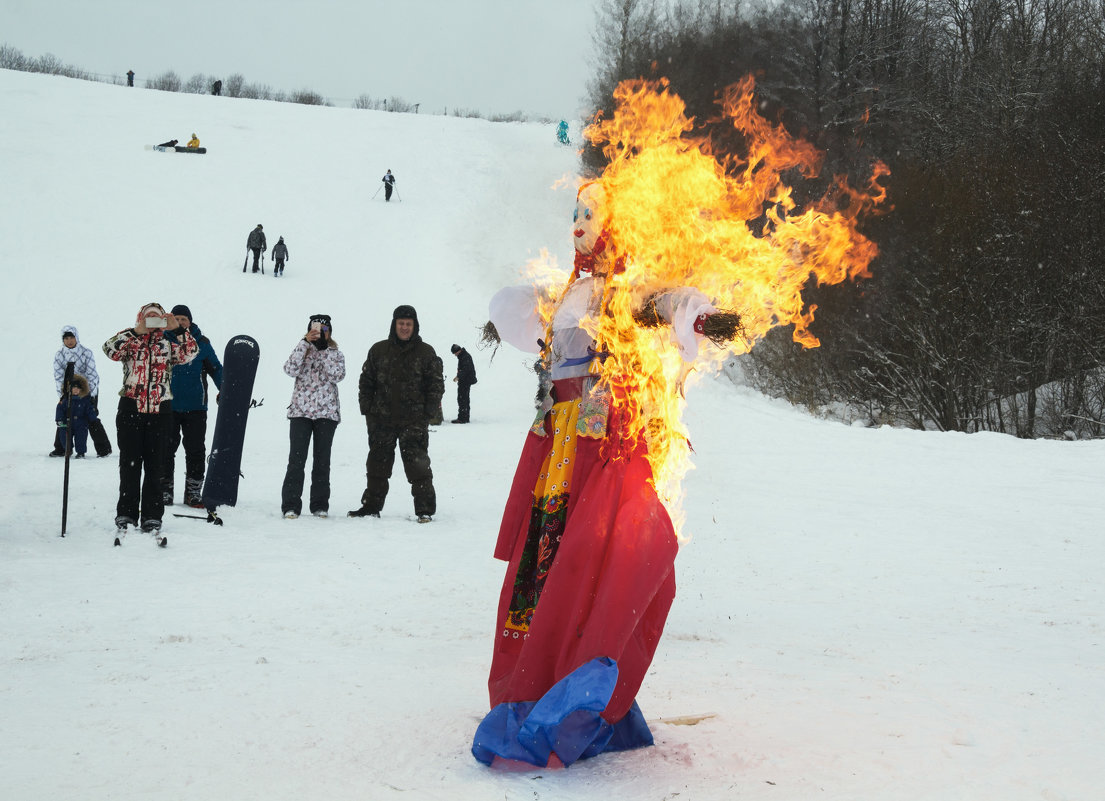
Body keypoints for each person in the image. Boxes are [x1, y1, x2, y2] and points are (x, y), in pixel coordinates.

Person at [471, 182, 740, 768]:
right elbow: (518, 314)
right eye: (575, 212)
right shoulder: (568, 289)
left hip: (600, 452)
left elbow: (671, 301)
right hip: (559, 452)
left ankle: (576, 687)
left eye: (590, 214)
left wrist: (702, 315)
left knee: (587, 565)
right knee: (540, 571)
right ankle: (530, 685)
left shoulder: (627, 292)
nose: (578, 223)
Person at [103, 302, 198, 538]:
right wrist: (137, 331)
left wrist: (178, 330)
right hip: (130, 410)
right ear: (140, 318)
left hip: (160, 412)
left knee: (156, 466)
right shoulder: (130, 341)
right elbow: (109, 349)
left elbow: (191, 352)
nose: (153, 322)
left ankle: (152, 515)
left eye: (157, 318)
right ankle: (126, 512)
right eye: (149, 318)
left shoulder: (168, 344)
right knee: (129, 464)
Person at [348, 305, 444, 522]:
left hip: (414, 421)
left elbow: (435, 385)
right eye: (401, 323)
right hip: (381, 419)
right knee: (377, 465)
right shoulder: (378, 350)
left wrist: (426, 414)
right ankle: (371, 506)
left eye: (408, 324)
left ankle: (425, 509)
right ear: (394, 324)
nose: (404, 327)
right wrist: (368, 411)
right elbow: (366, 382)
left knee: (418, 466)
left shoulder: (426, 352)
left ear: (415, 326)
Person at [281, 314, 346, 519]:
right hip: (301, 412)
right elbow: (289, 369)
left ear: (330, 332)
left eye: (324, 330)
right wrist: (304, 344)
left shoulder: (335, 353)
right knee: (296, 460)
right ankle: (290, 505)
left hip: (326, 413)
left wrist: (324, 350)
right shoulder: (303, 349)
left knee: (322, 462)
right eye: (316, 330)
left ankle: (319, 505)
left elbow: (337, 376)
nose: (320, 334)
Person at [161, 305, 223, 508]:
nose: (180, 323)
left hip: (196, 406)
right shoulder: (162, 341)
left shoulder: (202, 343)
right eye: (176, 319)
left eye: (184, 319)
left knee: (195, 450)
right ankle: (164, 490)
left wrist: (224, 390)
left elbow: (215, 368)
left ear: (190, 321)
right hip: (168, 405)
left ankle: (193, 492)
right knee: (166, 449)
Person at [51, 325, 112, 457]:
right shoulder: (59, 355)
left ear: (76, 337)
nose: (69, 341)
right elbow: (58, 375)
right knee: (65, 418)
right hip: (68, 392)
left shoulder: (86, 353)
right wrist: (63, 394)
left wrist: (91, 394)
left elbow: (92, 373)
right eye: (66, 338)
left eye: (71, 337)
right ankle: (61, 448)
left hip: (87, 391)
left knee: (91, 418)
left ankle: (103, 449)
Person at [55, 374, 100, 458]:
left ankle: (81, 452)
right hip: (67, 423)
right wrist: (59, 419)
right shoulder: (65, 399)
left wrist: (93, 417)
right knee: (65, 437)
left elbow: (89, 409)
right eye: (74, 388)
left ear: (81, 389)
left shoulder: (85, 400)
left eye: (78, 388)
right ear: (70, 389)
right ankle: (68, 449)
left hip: (81, 424)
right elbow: (60, 409)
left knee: (81, 439)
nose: (75, 390)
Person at [449, 344, 477, 423]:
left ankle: (462, 418)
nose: (455, 355)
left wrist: (458, 377)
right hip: (465, 380)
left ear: (458, 351)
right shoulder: (463, 356)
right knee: (465, 399)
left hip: (465, 381)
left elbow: (465, 369)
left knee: (462, 399)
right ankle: (465, 417)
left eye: (455, 353)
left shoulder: (465, 357)